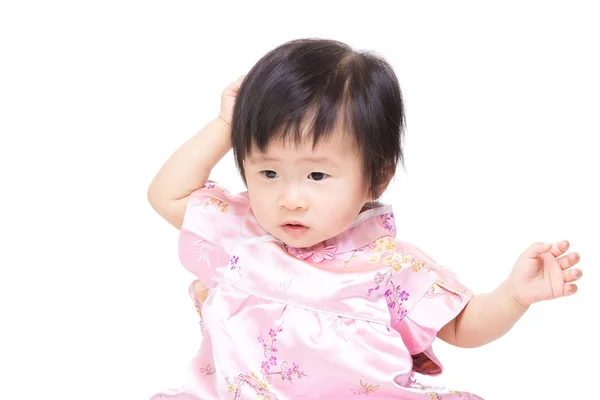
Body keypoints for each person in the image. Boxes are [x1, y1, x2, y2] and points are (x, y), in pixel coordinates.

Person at [147, 38, 582, 399]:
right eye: (268, 172)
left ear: (375, 179)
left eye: (317, 174)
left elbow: (462, 326)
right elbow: (167, 194)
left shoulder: (392, 270)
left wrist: (513, 295)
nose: (289, 198)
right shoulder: (243, 234)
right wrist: (228, 123)